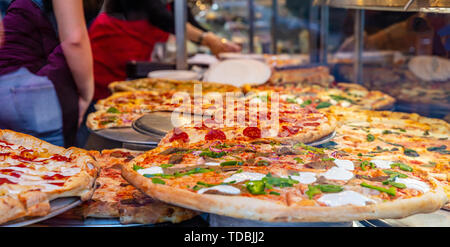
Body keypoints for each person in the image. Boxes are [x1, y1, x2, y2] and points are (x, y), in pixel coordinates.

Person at [89, 0, 242, 101]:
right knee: (104, 101)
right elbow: (161, 17)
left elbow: (184, 19)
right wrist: (208, 40)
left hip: (138, 54)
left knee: (129, 98)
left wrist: (218, 41)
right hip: (110, 47)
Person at [0, 0, 96, 147]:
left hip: (10, 87)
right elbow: (75, 39)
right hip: (31, 93)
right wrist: (87, 94)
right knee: (52, 166)